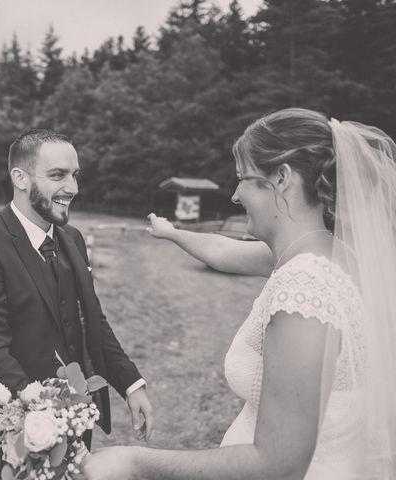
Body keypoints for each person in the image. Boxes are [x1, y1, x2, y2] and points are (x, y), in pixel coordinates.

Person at [81, 108, 396, 479]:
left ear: (280, 178)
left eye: (243, 179)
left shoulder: (305, 289)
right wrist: (172, 233)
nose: (234, 195)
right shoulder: (332, 257)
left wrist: (134, 463)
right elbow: (223, 252)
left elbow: (278, 463)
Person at [0, 129, 153, 480]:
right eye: (58, 175)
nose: (72, 187)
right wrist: (46, 413)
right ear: (20, 178)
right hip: (8, 437)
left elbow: (92, 321)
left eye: (75, 174)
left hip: (76, 424)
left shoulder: (72, 238)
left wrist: (131, 383)